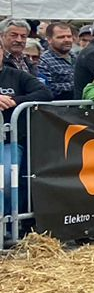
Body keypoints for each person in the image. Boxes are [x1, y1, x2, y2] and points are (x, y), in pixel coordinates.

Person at [0, 56, 48, 218]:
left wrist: (15, 101)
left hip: (9, 141)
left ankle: (6, 223)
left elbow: (45, 93)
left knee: (7, 180)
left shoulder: (17, 75)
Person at [37, 22, 77, 98]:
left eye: (69, 36)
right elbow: (47, 88)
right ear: (49, 39)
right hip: (57, 107)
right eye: (61, 37)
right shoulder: (43, 61)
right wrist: (77, 85)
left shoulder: (76, 57)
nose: (67, 40)